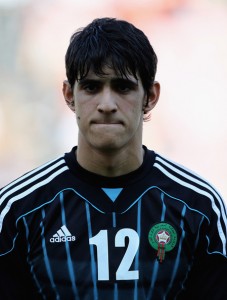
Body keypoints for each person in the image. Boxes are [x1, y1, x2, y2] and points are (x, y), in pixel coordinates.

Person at [0, 17, 226, 300]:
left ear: (151, 96)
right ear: (69, 94)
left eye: (123, 87)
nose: (106, 105)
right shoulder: (18, 210)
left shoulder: (198, 206)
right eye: (92, 87)